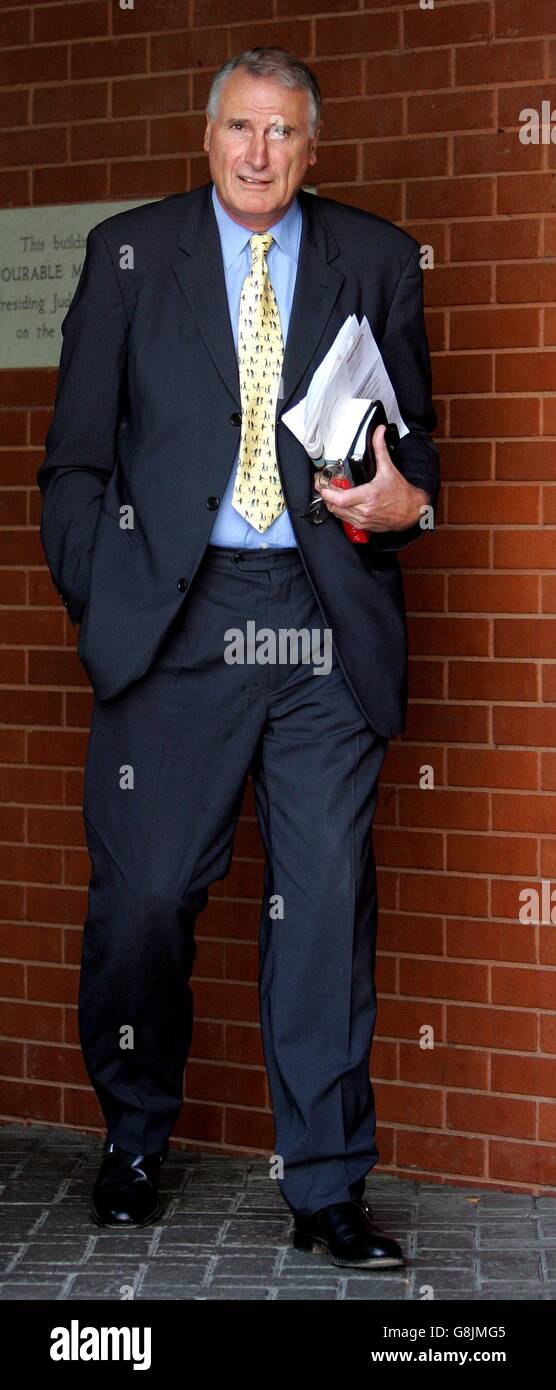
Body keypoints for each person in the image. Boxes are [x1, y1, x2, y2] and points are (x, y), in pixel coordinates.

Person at [36, 47, 439, 1270]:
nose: (259, 153)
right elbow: (71, 460)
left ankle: (323, 1187)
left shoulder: (371, 257)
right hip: (175, 619)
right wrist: (105, 594)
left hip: (320, 616)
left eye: (283, 134)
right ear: (207, 138)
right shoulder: (127, 253)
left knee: (321, 910)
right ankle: (137, 1137)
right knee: (146, 900)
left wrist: (397, 505)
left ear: (312, 150)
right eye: (239, 129)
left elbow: (421, 470)